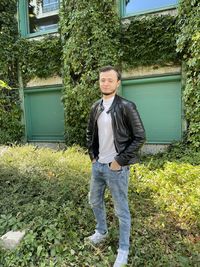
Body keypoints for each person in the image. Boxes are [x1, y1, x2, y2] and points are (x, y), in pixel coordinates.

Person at [86, 65, 145, 267]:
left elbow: (140, 137)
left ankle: (123, 249)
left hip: (116, 168)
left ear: (118, 83)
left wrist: (119, 161)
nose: (106, 83)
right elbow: (89, 134)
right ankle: (101, 231)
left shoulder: (127, 106)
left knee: (121, 210)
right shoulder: (96, 107)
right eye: (103, 79)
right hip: (98, 166)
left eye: (110, 80)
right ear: (99, 82)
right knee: (94, 201)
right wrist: (93, 156)